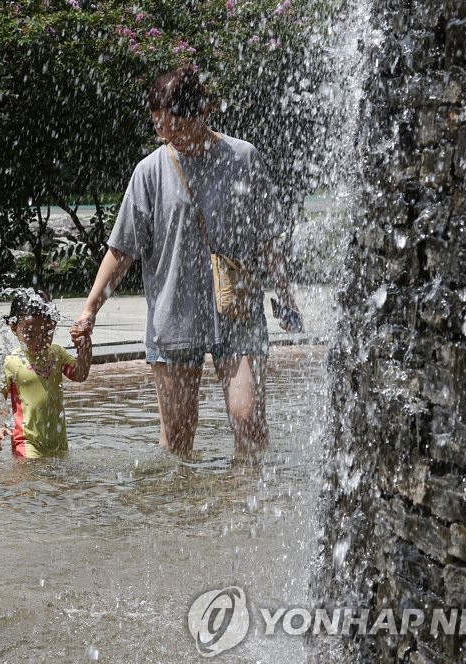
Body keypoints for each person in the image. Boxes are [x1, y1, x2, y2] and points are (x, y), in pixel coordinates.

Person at [70, 65, 303, 455]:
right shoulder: (149, 172)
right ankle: (178, 515)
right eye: (160, 128)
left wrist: (285, 295)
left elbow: (267, 241)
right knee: (177, 436)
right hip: (174, 315)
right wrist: (90, 309)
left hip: (237, 310)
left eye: (176, 127)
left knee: (248, 420)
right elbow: (122, 249)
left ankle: (244, 505)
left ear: (203, 112)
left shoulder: (243, 158)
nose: (168, 136)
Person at [0, 290, 92, 459]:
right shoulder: (12, 362)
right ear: (13, 327)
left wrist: (85, 345)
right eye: (30, 334)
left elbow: (80, 374)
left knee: (59, 484)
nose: (38, 341)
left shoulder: (57, 354)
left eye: (46, 333)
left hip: (58, 441)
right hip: (26, 442)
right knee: (30, 482)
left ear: (53, 326)